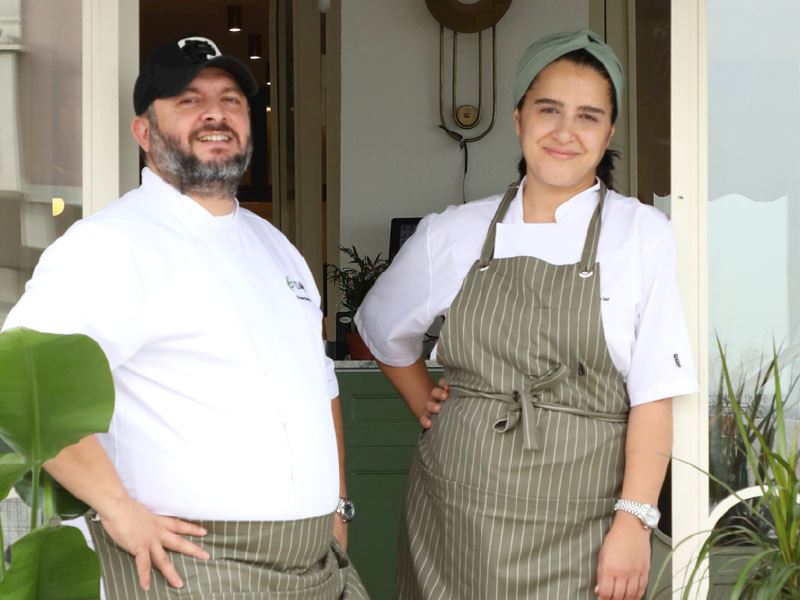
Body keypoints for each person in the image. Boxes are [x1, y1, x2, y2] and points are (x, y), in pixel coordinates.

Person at [2, 36, 367, 599]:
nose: (216, 113)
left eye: (232, 99)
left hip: (317, 563)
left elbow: (320, 387)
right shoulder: (108, 245)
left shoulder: (275, 245)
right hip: (193, 563)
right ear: (144, 132)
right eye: (189, 100)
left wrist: (338, 503)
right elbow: (22, 384)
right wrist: (117, 508)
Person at [355, 30, 698, 600]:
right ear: (518, 119)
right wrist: (424, 402)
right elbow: (380, 327)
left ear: (609, 133)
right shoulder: (454, 232)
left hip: (588, 519)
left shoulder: (641, 234)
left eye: (588, 116)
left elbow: (655, 394)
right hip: (458, 513)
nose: (565, 132)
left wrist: (635, 522)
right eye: (549, 110)